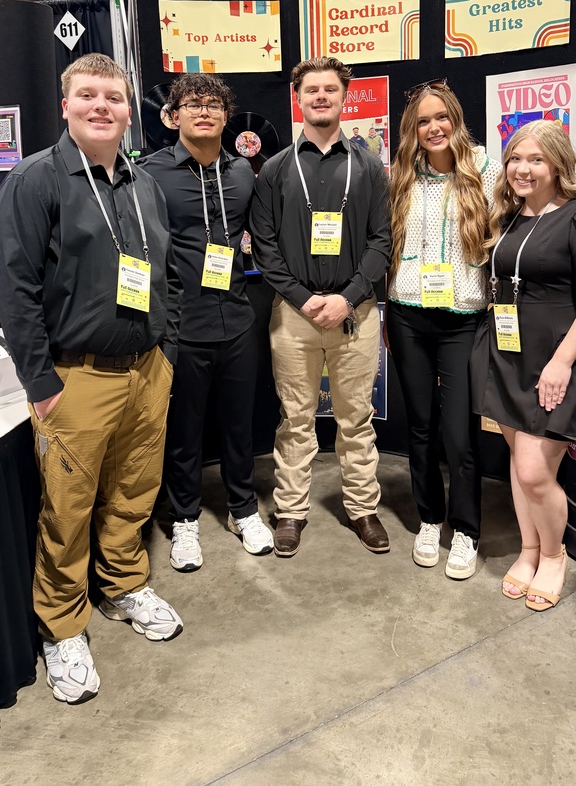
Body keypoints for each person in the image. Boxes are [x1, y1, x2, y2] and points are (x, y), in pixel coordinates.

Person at [0, 54, 183, 705]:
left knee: (135, 491)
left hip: (146, 369)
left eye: (113, 96)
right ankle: (62, 625)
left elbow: (164, 272)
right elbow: (15, 289)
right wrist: (41, 381)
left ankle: (124, 585)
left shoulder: (142, 182)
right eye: (89, 95)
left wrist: (169, 347)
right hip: (76, 379)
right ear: (66, 104)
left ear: (129, 109)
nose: (102, 105)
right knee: (67, 511)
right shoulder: (36, 180)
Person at [250, 57, 391, 557]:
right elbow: (264, 246)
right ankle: (290, 510)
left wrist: (346, 298)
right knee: (295, 418)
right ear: (298, 97)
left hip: (356, 311)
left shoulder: (370, 166)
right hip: (295, 314)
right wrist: (307, 299)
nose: (321, 97)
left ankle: (362, 507)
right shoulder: (275, 169)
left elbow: (381, 241)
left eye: (331, 90)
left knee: (357, 418)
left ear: (344, 97)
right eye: (312, 90)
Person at [139, 73, 273, 571]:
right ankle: (186, 520)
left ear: (225, 115)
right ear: (173, 116)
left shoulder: (242, 171)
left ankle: (243, 509)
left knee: (240, 425)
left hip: (237, 318)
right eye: (191, 104)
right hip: (179, 325)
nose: (204, 111)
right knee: (184, 430)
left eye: (213, 104)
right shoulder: (150, 173)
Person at [386, 78, 500, 579]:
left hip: (463, 320)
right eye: (423, 121)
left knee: (459, 432)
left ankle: (467, 529)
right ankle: (430, 517)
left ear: (455, 118)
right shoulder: (399, 178)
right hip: (408, 313)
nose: (433, 128)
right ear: (413, 129)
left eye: (441, 117)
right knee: (420, 427)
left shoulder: (488, 171)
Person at [471, 119, 575, 610]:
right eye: (515, 157)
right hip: (506, 353)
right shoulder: (508, 218)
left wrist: (561, 363)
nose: (523, 168)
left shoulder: (572, 216)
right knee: (518, 461)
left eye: (536, 159)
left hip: (556, 359)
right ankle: (529, 549)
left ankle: (555, 556)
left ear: (558, 165)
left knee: (535, 471)